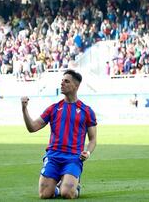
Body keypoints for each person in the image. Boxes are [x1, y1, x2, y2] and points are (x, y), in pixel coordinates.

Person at [21, 69, 97, 199]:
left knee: (67, 194)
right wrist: (24, 108)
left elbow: (93, 139)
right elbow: (32, 127)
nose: (62, 83)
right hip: (53, 156)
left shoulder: (87, 111)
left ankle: (74, 185)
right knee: (44, 195)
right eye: (62, 81)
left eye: (66, 81)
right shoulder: (53, 108)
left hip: (73, 157)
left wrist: (87, 152)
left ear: (76, 86)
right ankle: (58, 186)